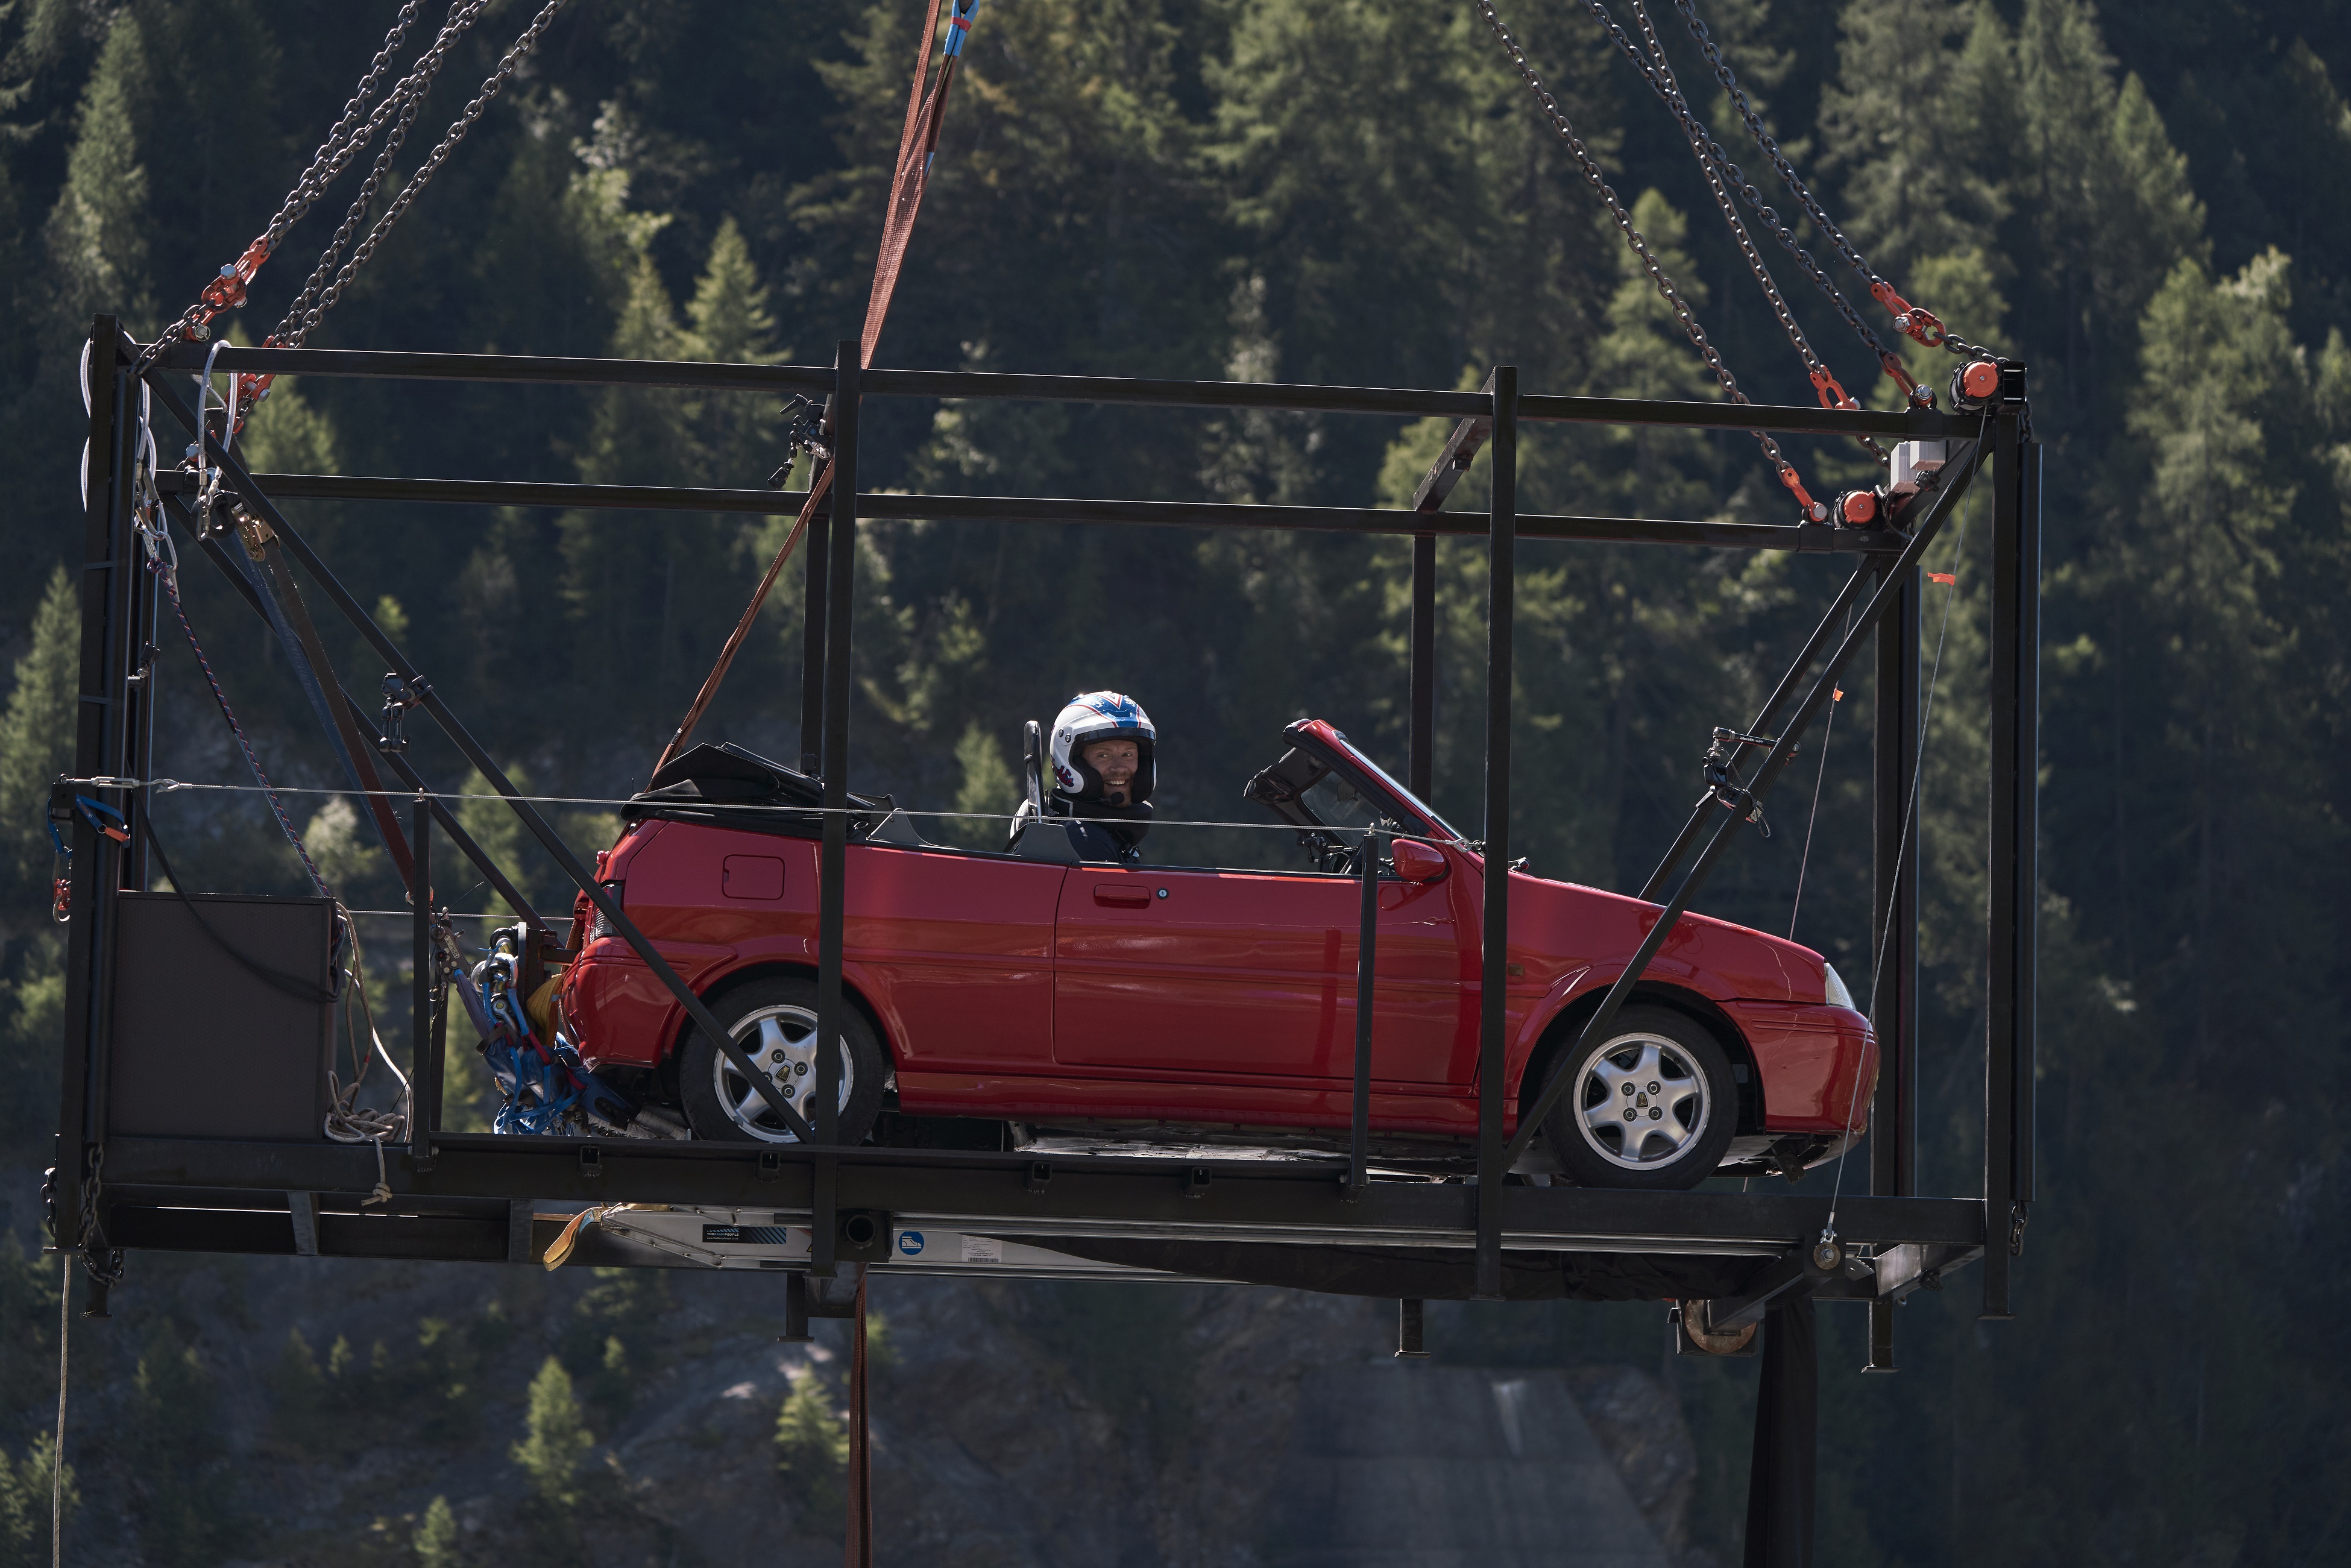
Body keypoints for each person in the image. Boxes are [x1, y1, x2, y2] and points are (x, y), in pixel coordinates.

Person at [1045, 690, 1155, 861]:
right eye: (1103, 755)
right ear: (1073, 762)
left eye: (1128, 755)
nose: (1119, 769)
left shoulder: (1106, 833)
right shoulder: (1085, 840)